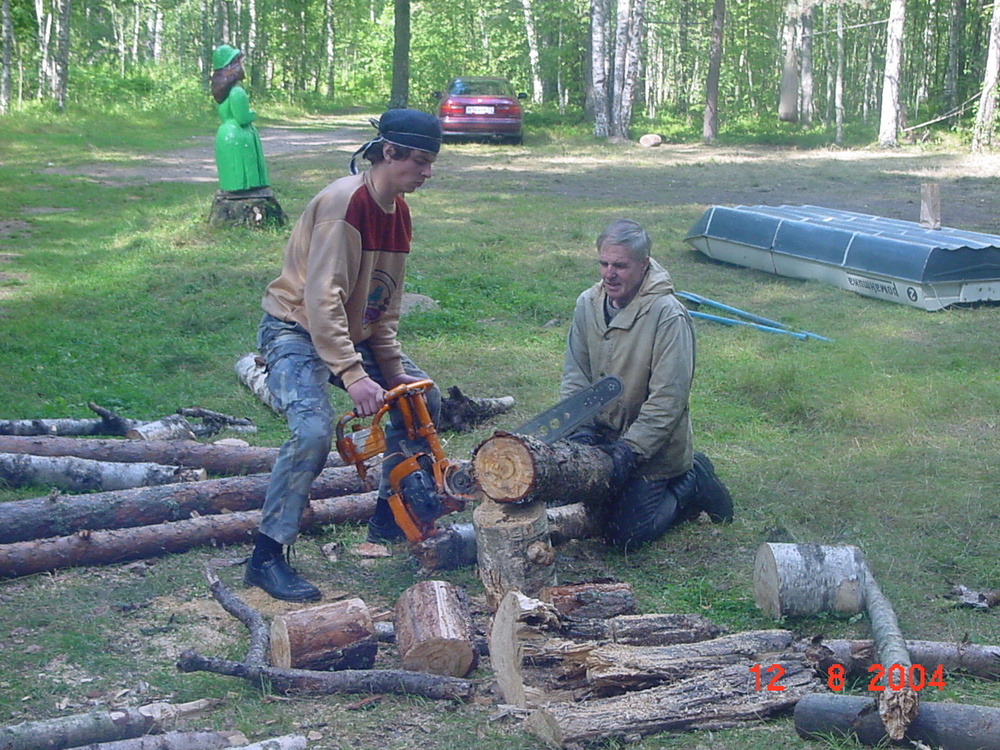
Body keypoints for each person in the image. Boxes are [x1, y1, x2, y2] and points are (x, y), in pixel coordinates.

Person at [246, 109, 444, 602]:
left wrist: (393, 371)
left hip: (349, 333)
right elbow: (321, 299)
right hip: (295, 328)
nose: (427, 172)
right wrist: (353, 375)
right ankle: (266, 556)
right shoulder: (344, 206)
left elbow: (383, 301)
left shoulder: (397, 211)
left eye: (431, 162)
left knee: (423, 402)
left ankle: (388, 518)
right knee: (312, 430)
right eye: (418, 161)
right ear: (389, 152)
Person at [561, 218, 733, 549]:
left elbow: (669, 400)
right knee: (571, 507)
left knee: (623, 538)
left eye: (620, 266)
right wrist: (579, 430)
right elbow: (575, 375)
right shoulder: (587, 303)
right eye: (603, 263)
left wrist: (630, 450)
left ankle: (692, 480)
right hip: (602, 439)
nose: (609, 274)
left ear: (644, 264)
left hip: (652, 450)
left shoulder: (668, 315)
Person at [211, 45, 269, 193]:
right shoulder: (237, 92)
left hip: (226, 133)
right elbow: (242, 118)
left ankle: (234, 185)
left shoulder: (223, 93)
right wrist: (253, 114)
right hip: (238, 135)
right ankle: (243, 186)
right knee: (241, 166)